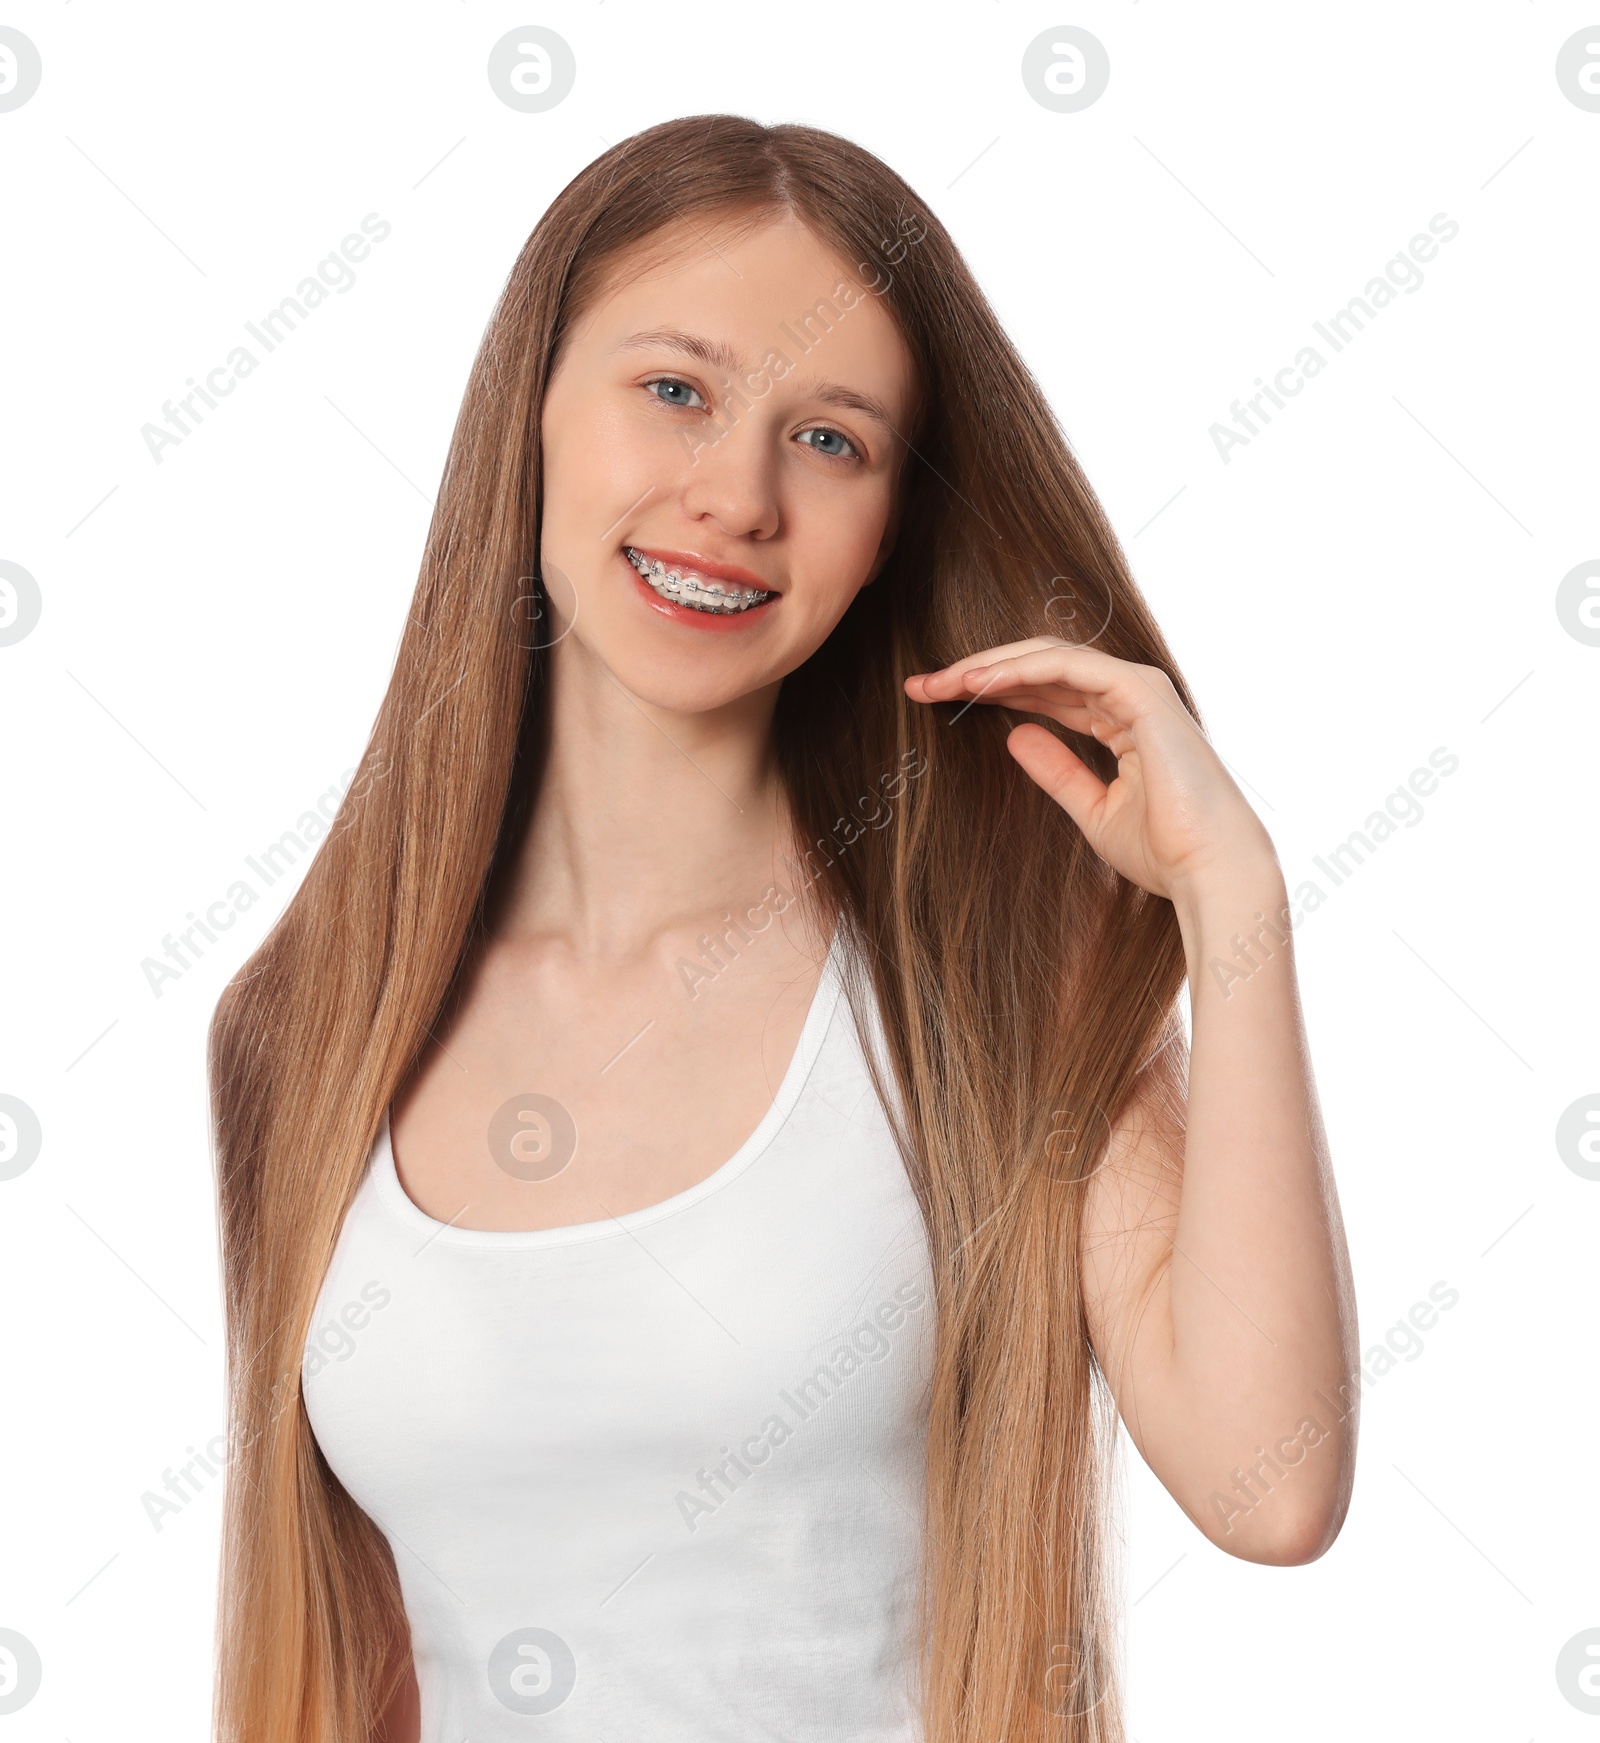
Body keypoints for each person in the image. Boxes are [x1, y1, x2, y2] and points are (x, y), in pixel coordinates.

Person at [208, 114, 1358, 1743]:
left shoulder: (990, 980)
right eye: (674, 390)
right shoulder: (307, 1028)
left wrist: (1233, 904)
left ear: (888, 526)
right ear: (530, 412)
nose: (735, 495)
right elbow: (364, 1664)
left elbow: (1275, 1487)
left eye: (830, 439)